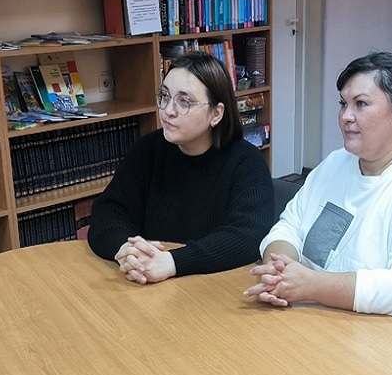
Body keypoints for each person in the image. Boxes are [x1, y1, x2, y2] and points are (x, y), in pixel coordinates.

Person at [245, 52, 392, 341]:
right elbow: (289, 226)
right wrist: (279, 268)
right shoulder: (336, 162)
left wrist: (310, 285)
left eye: (361, 104)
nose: (346, 116)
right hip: (320, 324)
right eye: (343, 104)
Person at [87, 51, 274, 284]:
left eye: (184, 101)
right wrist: (127, 250)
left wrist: (172, 262)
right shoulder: (149, 150)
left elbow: (248, 236)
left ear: (216, 113)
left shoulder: (246, 162)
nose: (168, 110)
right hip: (148, 283)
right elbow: (108, 212)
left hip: (213, 287)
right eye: (165, 96)